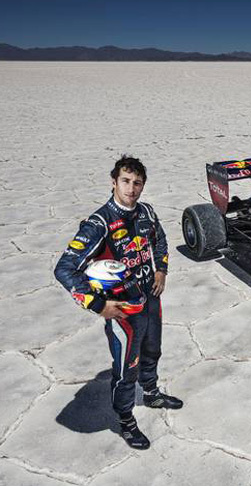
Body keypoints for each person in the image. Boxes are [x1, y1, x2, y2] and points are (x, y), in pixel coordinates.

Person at [54, 155, 183, 450]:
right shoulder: (99, 223)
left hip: (150, 297)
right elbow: (64, 269)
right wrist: (98, 305)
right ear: (114, 182)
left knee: (153, 349)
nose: (131, 188)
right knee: (126, 368)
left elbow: (160, 241)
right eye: (125, 181)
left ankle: (151, 393)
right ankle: (125, 421)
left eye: (137, 183)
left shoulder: (146, 212)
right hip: (122, 309)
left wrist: (161, 270)